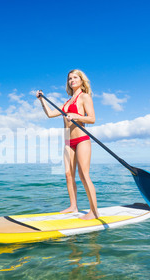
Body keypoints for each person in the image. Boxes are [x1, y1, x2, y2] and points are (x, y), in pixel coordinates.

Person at [36, 69, 99, 220]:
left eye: (75, 78)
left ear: (81, 80)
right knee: (68, 175)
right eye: (70, 78)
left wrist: (76, 116)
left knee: (84, 175)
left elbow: (92, 119)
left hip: (82, 140)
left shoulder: (84, 97)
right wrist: (42, 100)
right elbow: (50, 114)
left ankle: (94, 212)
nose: (72, 80)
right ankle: (73, 206)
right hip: (67, 142)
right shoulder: (67, 102)